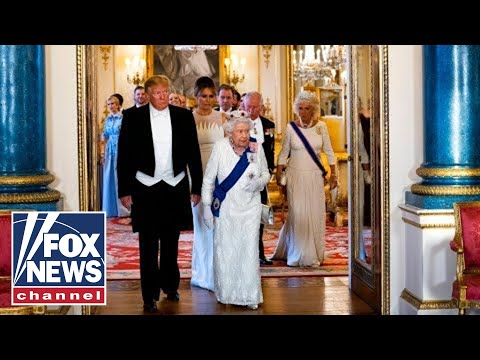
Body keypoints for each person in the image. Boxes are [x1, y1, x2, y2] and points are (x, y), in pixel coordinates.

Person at [117, 75, 203, 312]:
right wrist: (124, 190)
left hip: (174, 186)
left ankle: (170, 286)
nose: (163, 97)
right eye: (157, 93)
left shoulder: (184, 117)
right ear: (147, 95)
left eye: (166, 92)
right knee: (147, 243)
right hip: (145, 187)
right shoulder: (132, 117)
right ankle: (149, 295)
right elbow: (123, 156)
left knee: (171, 241)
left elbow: (193, 154)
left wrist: (197, 188)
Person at [201, 110, 270, 310]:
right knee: (227, 249)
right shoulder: (220, 148)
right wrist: (207, 206)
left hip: (250, 207)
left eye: (246, 131)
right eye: (240, 131)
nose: (244, 136)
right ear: (230, 133)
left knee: (249, 249)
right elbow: (208, 179)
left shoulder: (255, 147)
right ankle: (227, 293)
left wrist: (258, 183)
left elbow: (266, 173)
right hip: (227, 207)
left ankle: (250, 295)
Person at [272, 91, 337, 267]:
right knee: (298, 213)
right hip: (295, 176)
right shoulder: (291, 127)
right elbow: (284, 152)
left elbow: (329, 152)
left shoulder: (321, 127)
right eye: (300, 108)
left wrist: (334, 174)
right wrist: (279, 174)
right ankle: (296, 254)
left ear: (314, 109)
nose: (303, 112)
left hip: (315, 176)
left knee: (315, 213)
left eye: (307, 108)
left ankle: (314, 253)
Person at [190, 76, 226, 291]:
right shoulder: (188, 118)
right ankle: (203, 273)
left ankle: (220, 272)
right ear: (196, 97)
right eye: (203, 96)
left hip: (220, 176)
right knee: (201, 225)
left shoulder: (222, 117)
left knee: (219, 224)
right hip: (197, 174)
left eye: (211, 95)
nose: (208, 99)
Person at [243, 91, 275, 265]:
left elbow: (271, 150)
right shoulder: (238, 124)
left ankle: (259, 253)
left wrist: (269, 171)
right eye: (249, 106)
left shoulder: (269, 125)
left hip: (262, 176)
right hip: (241, 177)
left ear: (261, 107)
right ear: (243, 105)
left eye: (255, 106)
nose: (252, 110)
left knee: (260, 214)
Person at [101, 94, 129, 218]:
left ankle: (123, 210)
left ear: (118, 105)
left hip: (121, 148)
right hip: (109, 150)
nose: (111, 106)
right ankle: (110, 208)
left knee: (120, 178)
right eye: (109, 104)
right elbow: (104, 136)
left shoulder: (123, 118)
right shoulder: (107, 120)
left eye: (113, 103)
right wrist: (102, 153)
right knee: (109, 177)